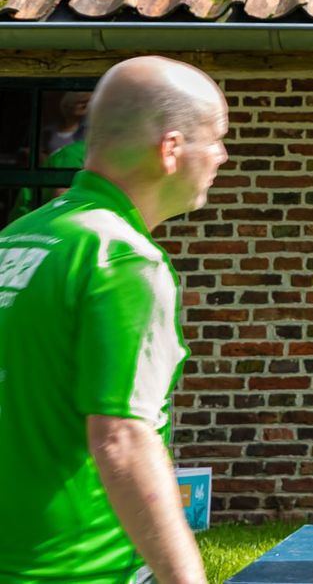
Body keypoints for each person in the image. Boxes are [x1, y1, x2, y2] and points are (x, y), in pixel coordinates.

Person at [0, 56, 228, 584]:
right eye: (214, 137)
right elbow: (123, 437)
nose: (221, 155)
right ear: (171, 149)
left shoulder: (19, 238)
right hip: (80, 570)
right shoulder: (122, 260)